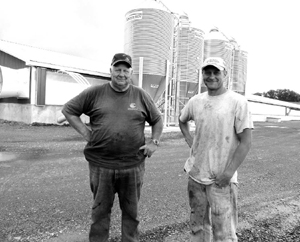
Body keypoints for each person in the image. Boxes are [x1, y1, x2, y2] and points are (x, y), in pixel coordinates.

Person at [62, 53, 163, 242]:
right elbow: (69, 110)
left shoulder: (140, 95)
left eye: (126, 70)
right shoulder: (94, 93)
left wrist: (154, 141)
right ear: (111, 70)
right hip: (101, 165)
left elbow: (157, 119)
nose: (122, 74)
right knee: (100, 213)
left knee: (131, 214)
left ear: (131, 72)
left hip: (132, 165)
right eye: (118, 69)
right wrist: (86, 133)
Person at [178, 57, 253, 242]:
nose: (211, 76)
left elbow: (246, 142)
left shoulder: (237, 102)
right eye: (207, 72)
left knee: (224, 234)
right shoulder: (196, 101)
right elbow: (182, 120)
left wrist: (228, 174)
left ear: (225, 74)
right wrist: (190, 141)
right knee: (198, 228)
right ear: (202, 74)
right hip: (196, 176)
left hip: (222, 181)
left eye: (216, 72)